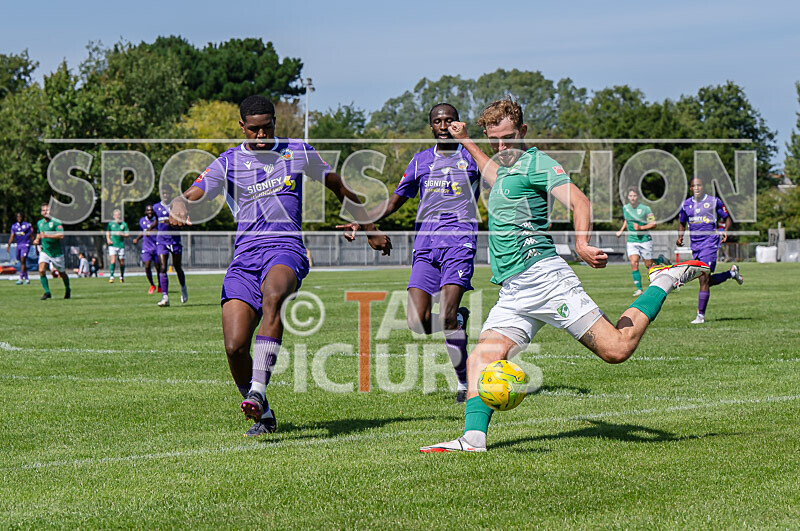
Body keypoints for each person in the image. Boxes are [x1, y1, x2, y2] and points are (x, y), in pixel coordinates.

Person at [420, 97, 708, 453]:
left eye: (509, 137)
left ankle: (662, 281)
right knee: (482, 358)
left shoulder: (539, 163)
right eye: (495, 140)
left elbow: (580, 202)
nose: (502, 146)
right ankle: (473, 439)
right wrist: (467, 141)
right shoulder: (504, 164)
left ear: (523, 131)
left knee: (616, 349)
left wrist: (582, 243)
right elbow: (491, 173)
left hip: (547, 279)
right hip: (514, 290)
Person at [168, 95, 392, 437]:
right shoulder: (227, 162)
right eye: (254, 130)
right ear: (241, 127)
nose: (261, 136)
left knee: (274, 296)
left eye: (267, 128)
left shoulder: (297, 151)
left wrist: (371, 229)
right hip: (244, 257)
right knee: (234, 346)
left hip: (285, 248)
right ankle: (263, 411)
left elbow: (339, 187)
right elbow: (192, 193)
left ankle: (258, 388)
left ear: (275, 122)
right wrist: (181, 205)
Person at [341, 103, 481, 403]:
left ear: (458, 123)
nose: (443, 125)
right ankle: (458, 319)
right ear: (431, 126)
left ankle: (462, 382)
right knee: (416, 322)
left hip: (459, 243)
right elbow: (393, 202)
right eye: (437, 121)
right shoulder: (420, 161)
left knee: (446, 318)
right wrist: (363, 221)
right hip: (425, 247)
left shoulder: (473, 157)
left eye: (449, 120)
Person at [676, 177, 743, 324]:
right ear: (691, 188)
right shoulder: (686, 205)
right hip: (696, 246)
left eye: (700, 185)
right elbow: (682, 222)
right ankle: (731, 273)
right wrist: (680, 237)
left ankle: (700, 316)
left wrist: (725, 230)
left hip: (710, 243)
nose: (697, 188)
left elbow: (727, 217)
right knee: (705, 280)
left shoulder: (714, 202)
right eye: (694, 186)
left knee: (704, 279)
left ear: (703, 187)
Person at [616, 187, 656, 296]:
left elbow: (653, 223)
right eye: (630, 196)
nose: (632, 198)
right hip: (632, 241)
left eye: (634, 196)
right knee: (634, 263)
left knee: (649, 265)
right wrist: (621, 230)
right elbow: (627, 220)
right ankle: (639, 289)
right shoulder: (625, 208)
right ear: (628, 197)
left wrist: (641, 228)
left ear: (638, 196)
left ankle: (660, 259)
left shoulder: (646, 209)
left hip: (644, 240)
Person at [154, 190, 188, 306]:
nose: (165, 195)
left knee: (177, 266)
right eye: (163, 193)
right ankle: (165, 297)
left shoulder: (175, 206)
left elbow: (182, 222)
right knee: (162, 267)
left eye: (167, 193)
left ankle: (183, 288)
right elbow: (155, 221)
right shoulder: (156, 207)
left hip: (174, 240)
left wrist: (172, 222)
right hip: (161, 240)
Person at [33, 203, 70, 300]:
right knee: (41, 270)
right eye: (43, 210)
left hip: (56, 253)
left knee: (62, 273)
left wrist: (47, 235)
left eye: (47, 210)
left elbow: (61, 235)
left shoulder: (56, 222)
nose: (45, 212)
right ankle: (47, 292)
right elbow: (38, 233)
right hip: (45, 251)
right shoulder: (40, 223)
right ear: (41, 212)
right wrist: (36, 240)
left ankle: (67, 288)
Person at [133, 204, 160, 294]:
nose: (150, 212)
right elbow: (143, 232)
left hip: (156, 246)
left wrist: (150, 231)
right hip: (146, 247)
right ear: (145, 212)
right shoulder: (142, 221)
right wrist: (137, 239)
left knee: (158, 267)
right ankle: (152, 285)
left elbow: (159, 230)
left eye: (151, 210)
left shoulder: (157, 221)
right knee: (147, 266)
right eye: (148, 210)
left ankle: (160, 285)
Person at [7, 212, 33, 284]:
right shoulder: (14, 226)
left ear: (22, 217)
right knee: (22, 262)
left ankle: (21, 278)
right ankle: (27, 279)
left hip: (25, 245)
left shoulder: (27, 225)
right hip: (19, 245)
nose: (19, 218)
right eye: (18, 217)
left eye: (20, 216)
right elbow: (12, 236)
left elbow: (32, 235)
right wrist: (9, 245)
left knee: (22, 260)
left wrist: (36, 245)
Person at [106, 208, 129, 283]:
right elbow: (107, 232)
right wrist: (108, 239)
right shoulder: (110, 224)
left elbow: (127, 234)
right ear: (113, 216)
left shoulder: (124, 224)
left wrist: (122, 234)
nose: (117, 216)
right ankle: (111, 276)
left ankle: (121, 276)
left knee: (121, 262)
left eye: (119, 215)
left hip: (120, 245)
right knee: (112, 261)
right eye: (116, 215)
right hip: (113, 245)